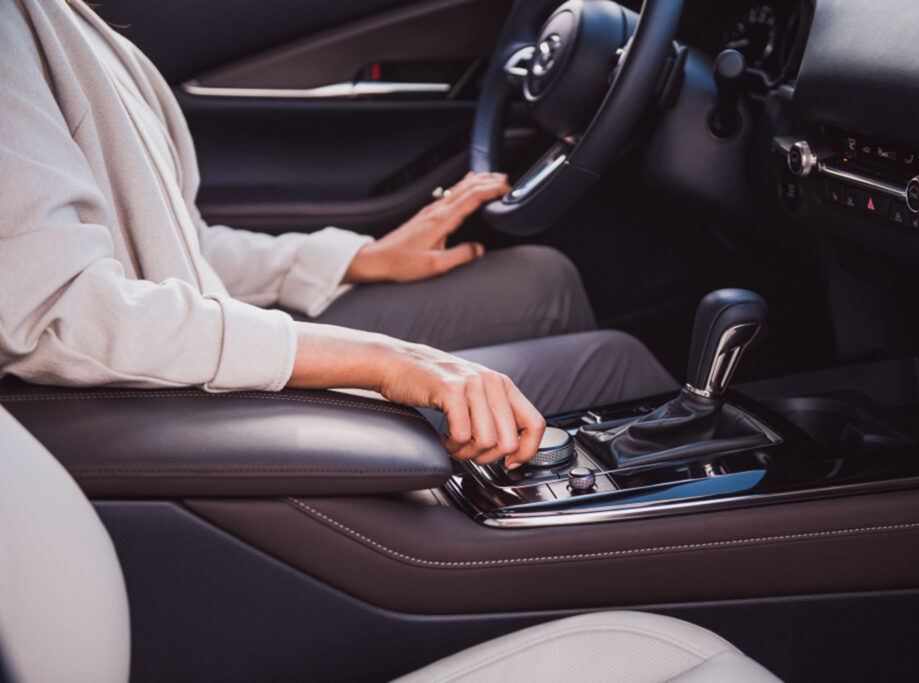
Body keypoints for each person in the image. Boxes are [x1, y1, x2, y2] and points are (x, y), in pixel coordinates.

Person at [0, 0, 678, 469]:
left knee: (542, 279)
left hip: (182, 359)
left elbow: (176, 245)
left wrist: (362, 258)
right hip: (171, 413)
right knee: (617, 361)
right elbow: (58, 313)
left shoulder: (57, 21)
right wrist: (388, 360)